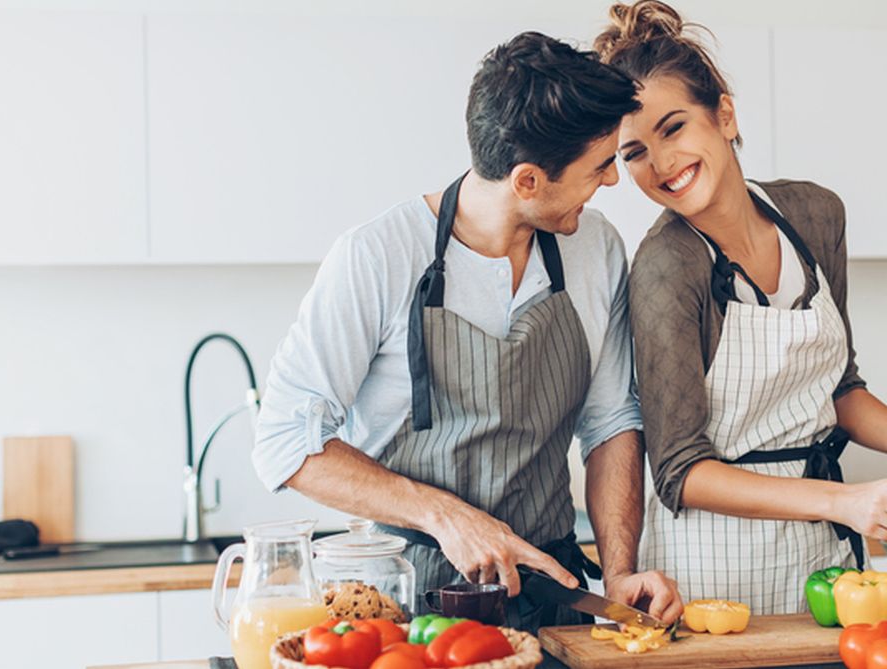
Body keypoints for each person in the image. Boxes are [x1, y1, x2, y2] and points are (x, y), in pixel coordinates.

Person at [593, 0, 887, 614]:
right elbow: (678, 472)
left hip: (825, 562)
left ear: (723, 113)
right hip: (712, 572)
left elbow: (838, 390)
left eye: (673, 128)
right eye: (633, 152)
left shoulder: (814, 215)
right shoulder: (668, 266)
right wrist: (844, 501)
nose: (660, 164)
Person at [253, 31, 684, 630]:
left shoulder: (596, 248)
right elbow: (284, 440)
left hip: (549, 595)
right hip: (406, 602)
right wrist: (446, 516)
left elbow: (611, 422)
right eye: (598, 167)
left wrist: (616, 574)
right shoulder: (377, 257)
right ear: (528, 181)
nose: (611, 181)